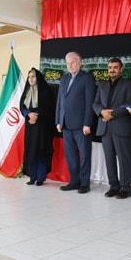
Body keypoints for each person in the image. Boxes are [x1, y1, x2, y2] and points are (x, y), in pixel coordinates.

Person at [92, 58, 131, 199]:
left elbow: (130, 104)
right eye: (110, 67)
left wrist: (111, 114)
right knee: (109, 158)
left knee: (124, 159)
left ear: (121, 69)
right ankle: (114, 186)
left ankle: (125, 188)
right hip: (105, 127)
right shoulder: (102, 84)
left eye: (115, 67)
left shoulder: (128, 84)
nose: (112, 70)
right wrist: (101, 112)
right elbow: (95, 103)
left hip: (120, 126)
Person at [55, 52, 96, 193]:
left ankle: (84, 184)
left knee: (84, 155)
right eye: (68, 63)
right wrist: (58, 121)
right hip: (65, 125)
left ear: (80, 63)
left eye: (72, 62)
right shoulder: (64, 78)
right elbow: (60, 101)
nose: (70, 65)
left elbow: (90, 102)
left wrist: (87, 123)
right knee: (70, 156)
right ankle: (74, 181)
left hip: (81, 126)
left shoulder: (87, 78)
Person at [19, 68, 54, 186]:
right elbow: (22, 106)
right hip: (30, 126)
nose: (30, 79)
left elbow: (48, 107)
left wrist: (36, 116)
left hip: (42, 127)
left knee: (41, 151)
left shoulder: (45, 90)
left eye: (33, 76)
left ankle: (40, 178)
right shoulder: (27, 91)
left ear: (38, 78)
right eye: (29, 77)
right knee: (31, 151)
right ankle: (32, 177)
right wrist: (28, 114)